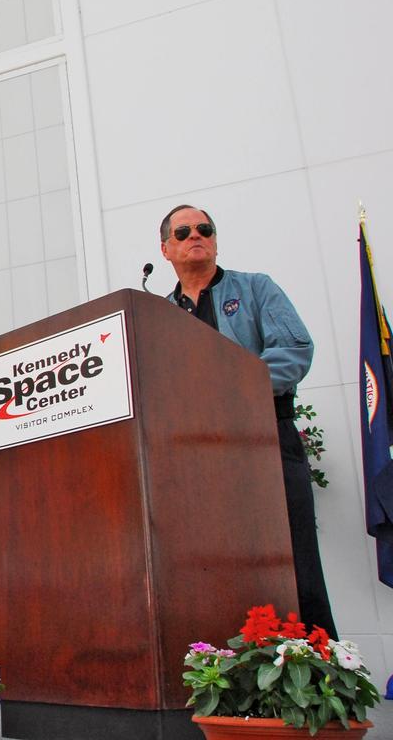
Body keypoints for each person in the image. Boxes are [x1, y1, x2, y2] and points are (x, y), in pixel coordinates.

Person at [159, 204, 337, 637]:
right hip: (200, 458)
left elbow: (294, 350)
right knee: (215, 562)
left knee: (292, 555)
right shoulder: (160, 316)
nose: (195, 236)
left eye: (204, 229)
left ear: (216, 240)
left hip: (265, 439)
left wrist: (232, 392)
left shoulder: (256, 289)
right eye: (183, 233)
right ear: (166, 250)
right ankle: (224, 673)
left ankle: (318, 666)